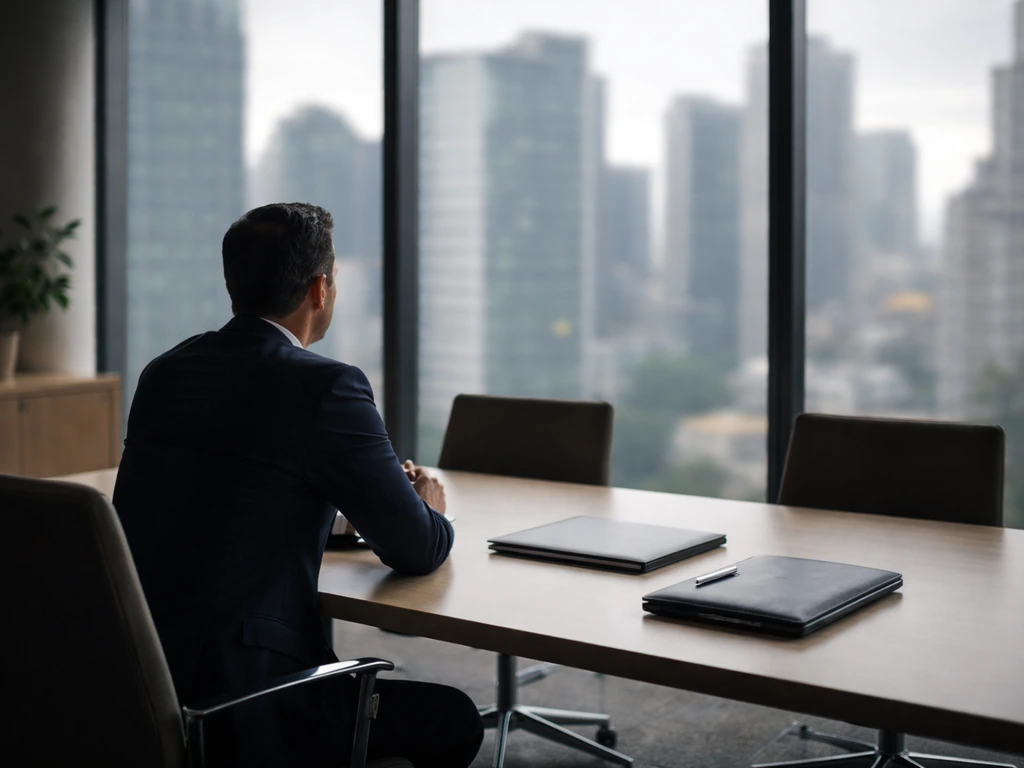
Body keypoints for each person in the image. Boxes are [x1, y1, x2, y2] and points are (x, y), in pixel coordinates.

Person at [113, 203, 483, 767]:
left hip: (140, 682)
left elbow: (227, 494)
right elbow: (417, 548)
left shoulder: (167, 371)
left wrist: (341, 510)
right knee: (454, 718)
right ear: (320, 288)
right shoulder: (326, 386)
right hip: (250, 698)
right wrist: (424, 507)